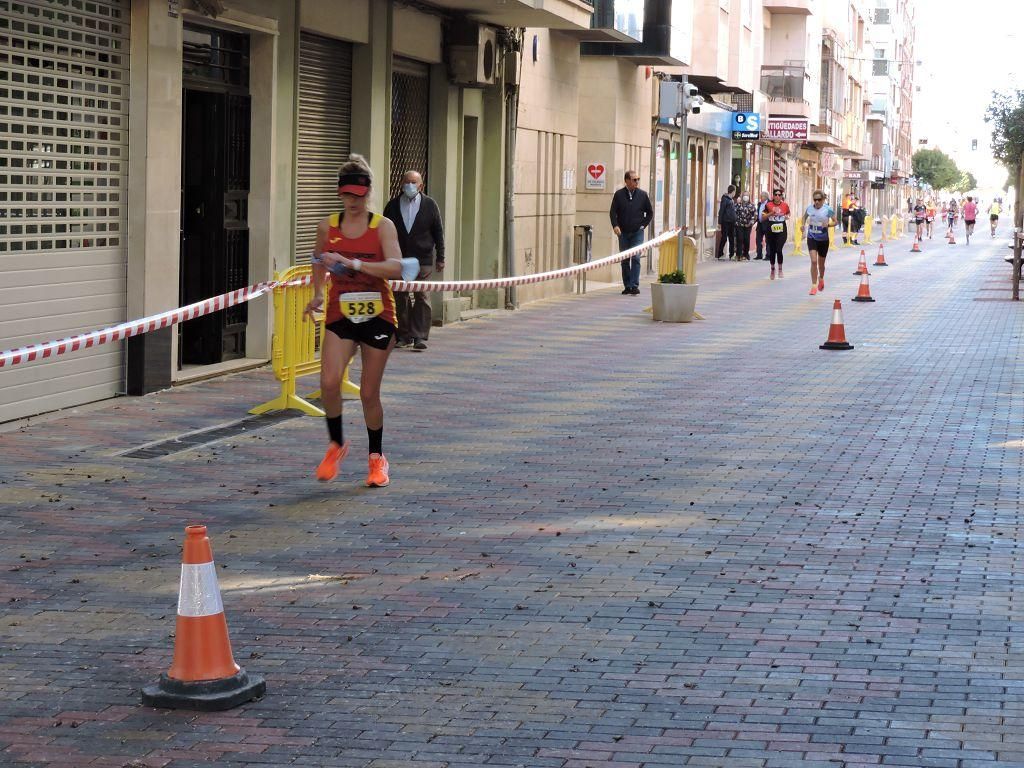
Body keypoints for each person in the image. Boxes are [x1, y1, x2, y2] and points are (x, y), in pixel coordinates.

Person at [305, 154, 404, 487]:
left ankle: (377, 459)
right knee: (329, 383)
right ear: (340, 194)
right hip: (340, 312)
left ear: (369, 193)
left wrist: (356, 264)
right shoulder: (327, 227)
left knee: (367, 393)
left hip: (378, 315)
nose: (354, 202)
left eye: (360, 196)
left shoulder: (382, 226)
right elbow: (319, 261)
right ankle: (335, 444)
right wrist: (318, 292)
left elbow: (396, 267)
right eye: (348, 195)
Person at [383, 170, 445, 351]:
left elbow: (438, 232)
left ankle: (419, 335)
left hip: (422, 259)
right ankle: (404, 335)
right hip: (398, 259)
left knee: (421, 295)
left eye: (413, 182)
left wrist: (441, 257)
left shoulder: (430, 205)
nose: (409, 186)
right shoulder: (392, 206)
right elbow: (384, 232)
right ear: (401, 184)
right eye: (406, 182)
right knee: (400, 296)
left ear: (421, 186)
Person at [609, 169, 653, 295]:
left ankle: (634, 285)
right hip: (623, 232)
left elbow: (650, 213)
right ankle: (627, 285)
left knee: (636, 257)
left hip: (637, 232)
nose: (637, 182)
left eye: (638, 179)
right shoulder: (618, 195)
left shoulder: (642, 195)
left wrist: (642, 226)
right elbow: (612, 212)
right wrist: (615, 225)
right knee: (624, 259)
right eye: (634, 180)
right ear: (627, 181)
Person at [802, 190, 837, 295]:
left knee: (821, 264)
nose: (817, 202)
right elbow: (804, 217)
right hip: (811, 237)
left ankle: (821, 278)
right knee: (813, 261)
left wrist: (829, 225)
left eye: (819, 200)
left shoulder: (828, 209)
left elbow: (836, 221)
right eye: (815, 199)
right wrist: (803, 225)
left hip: (823, 239)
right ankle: (813, 285)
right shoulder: (810, 208)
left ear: (823, 200)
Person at [761, 188, 791, 280]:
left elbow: (789, 214)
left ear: (781, 196)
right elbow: (763, 217)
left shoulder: (785, 205)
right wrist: (771, 213)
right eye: (775, 194)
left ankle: (780, 269)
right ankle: (773, 269)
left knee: (779, 249)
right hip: (771, 230)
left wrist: (786, 216)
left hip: (782, 230)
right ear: (773, 196)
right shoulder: (768, 205)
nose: (777, 196)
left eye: (779, 195)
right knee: (772, 250)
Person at [715, 185, 737, 259]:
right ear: (733, 191)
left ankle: (731, 254)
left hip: (732, 222)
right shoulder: (725, 199)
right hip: (725, 222)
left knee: (731, 238)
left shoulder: (731, 200)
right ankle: (720, 254)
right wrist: (719, 222)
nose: (735, 193)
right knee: (724, 238)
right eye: (734, 192)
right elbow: (721, 211)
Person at [734, 193, 757, 261]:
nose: (745, 197)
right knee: (740, 239)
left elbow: (755, 215)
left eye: (747, 195)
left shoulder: (752, 206)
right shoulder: (738, 205)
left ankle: (745, 254)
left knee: (746, 240)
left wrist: (751, 223)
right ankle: (739, 254)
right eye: (744, 195)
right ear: (742, 196)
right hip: (739, 225)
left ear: (749, 197)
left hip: (748, 226)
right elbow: (734, 213)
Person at [754, 191, 770, 259]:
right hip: (760, 224)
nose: (760, 198)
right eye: (760, 196)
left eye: (762, 196)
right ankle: (759, 255)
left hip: (767, 224)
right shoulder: (759, 204)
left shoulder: (770, 204)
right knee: (758, 239)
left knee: (768, 240)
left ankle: (768, 255)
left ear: (766, 197)